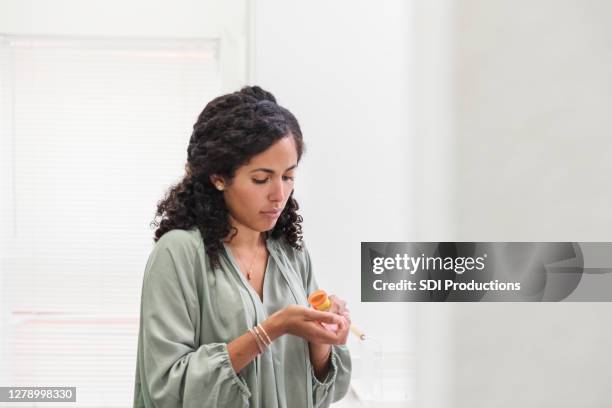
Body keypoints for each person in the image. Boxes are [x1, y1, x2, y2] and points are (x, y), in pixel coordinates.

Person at [132, 86, 352, 408]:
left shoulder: (292, 254)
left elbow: (321, 393)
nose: (279, 194)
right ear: (219, 177)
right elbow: (167, 388)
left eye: (288, 176)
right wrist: (271, 329)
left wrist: (321, 341)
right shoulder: (178, 254)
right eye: (262, 179)